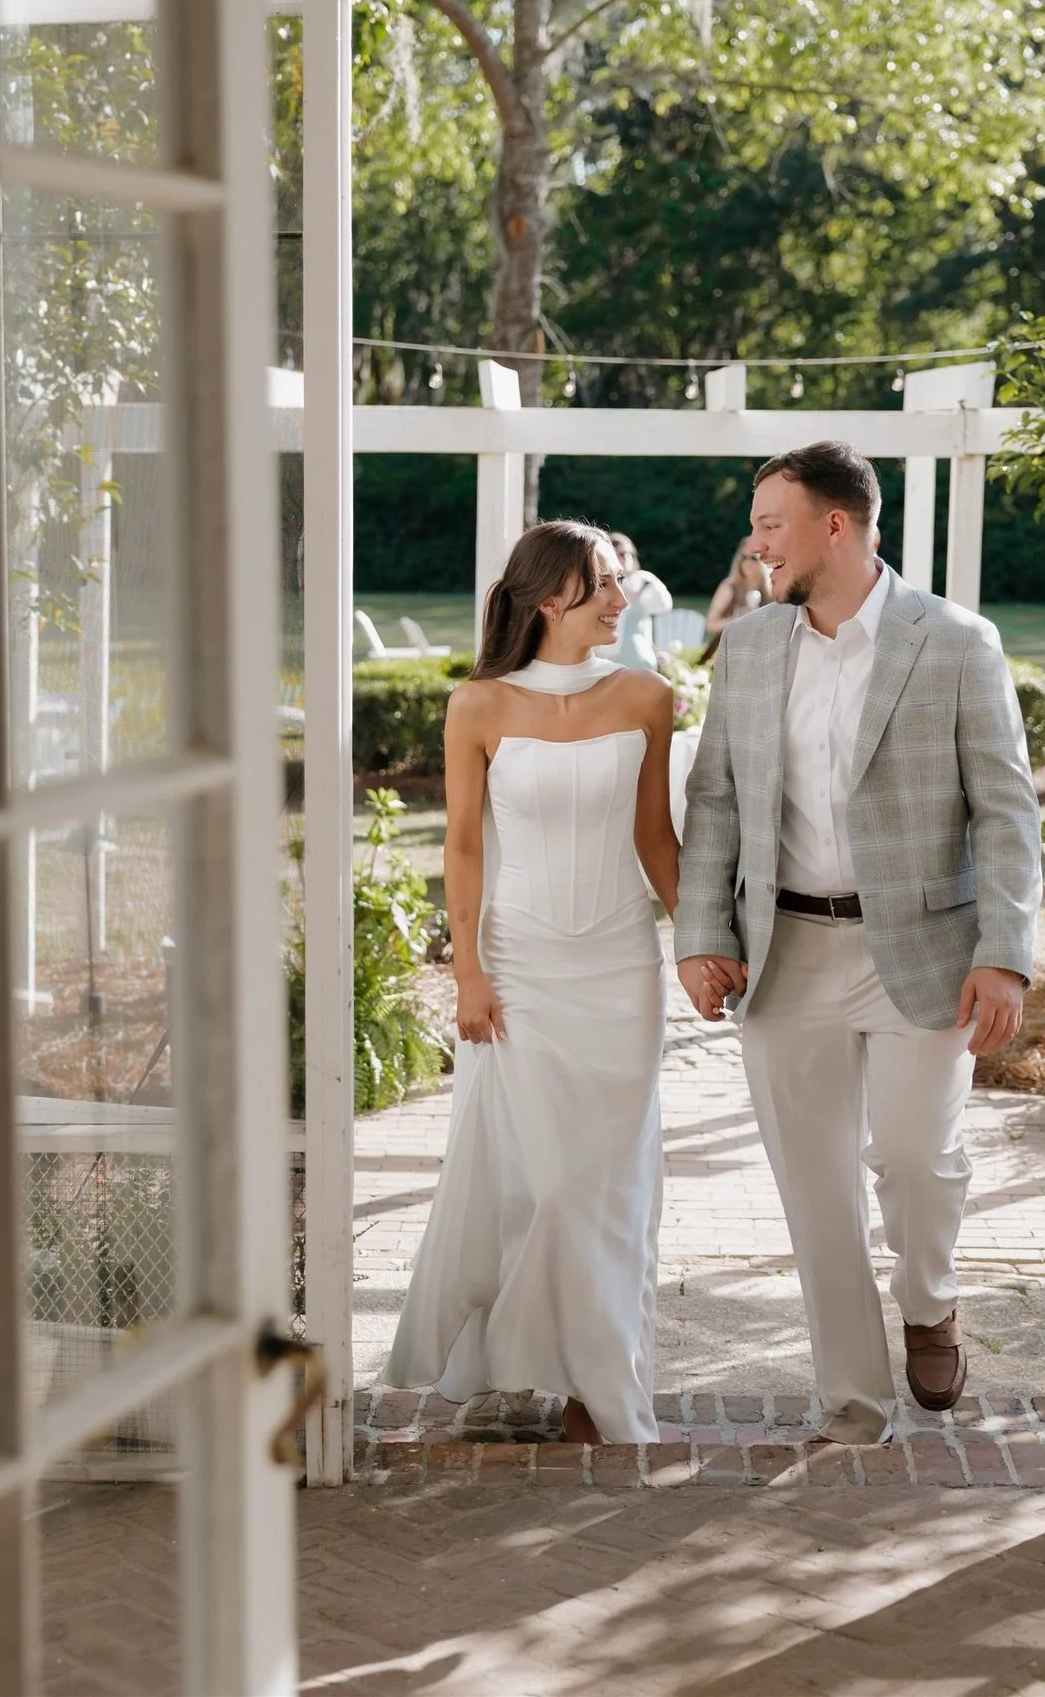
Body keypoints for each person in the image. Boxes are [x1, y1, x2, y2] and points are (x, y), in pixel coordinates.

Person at [673, 441, 1041, 1443]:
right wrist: (699, 933)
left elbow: (1007, 813)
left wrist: (1005, 949)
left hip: (925, 947)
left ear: (836, 525)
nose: (756, 546)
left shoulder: (958, 642)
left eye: (770, 525)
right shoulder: (748, 650)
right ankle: (851, 1400)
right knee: (815, 1184)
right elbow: (715, 802)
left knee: (918, 1154)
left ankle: (929, 1298)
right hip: (784, 948)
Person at [384, 521, 680, 1445]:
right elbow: (464, 848)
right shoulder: (479, 705)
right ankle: (516, 1361)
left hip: (622, 965)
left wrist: (707, 945)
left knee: (611, 1183)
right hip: (520, 967)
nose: (620, 598)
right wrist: (466, 971)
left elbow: (655, 841)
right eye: (604, 583)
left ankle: (602, 1380)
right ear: (550, 596)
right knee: (544, 1183)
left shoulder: (648, 699)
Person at [609, 531, 673, 670]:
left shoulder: (643, 579)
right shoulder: (602, 582)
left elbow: (665, 605)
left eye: (630, 554)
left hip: (638, 655)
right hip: (606, 654)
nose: (626, 558)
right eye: (620, 553)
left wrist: (640, 592)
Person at [700, 538, 771, 661]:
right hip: (733, 653)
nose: (748, 562)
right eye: (744, 558)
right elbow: (711, 624)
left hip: (764, 652)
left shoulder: (771, 591)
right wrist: (737, 618)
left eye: (754, 558)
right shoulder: (729, 587)